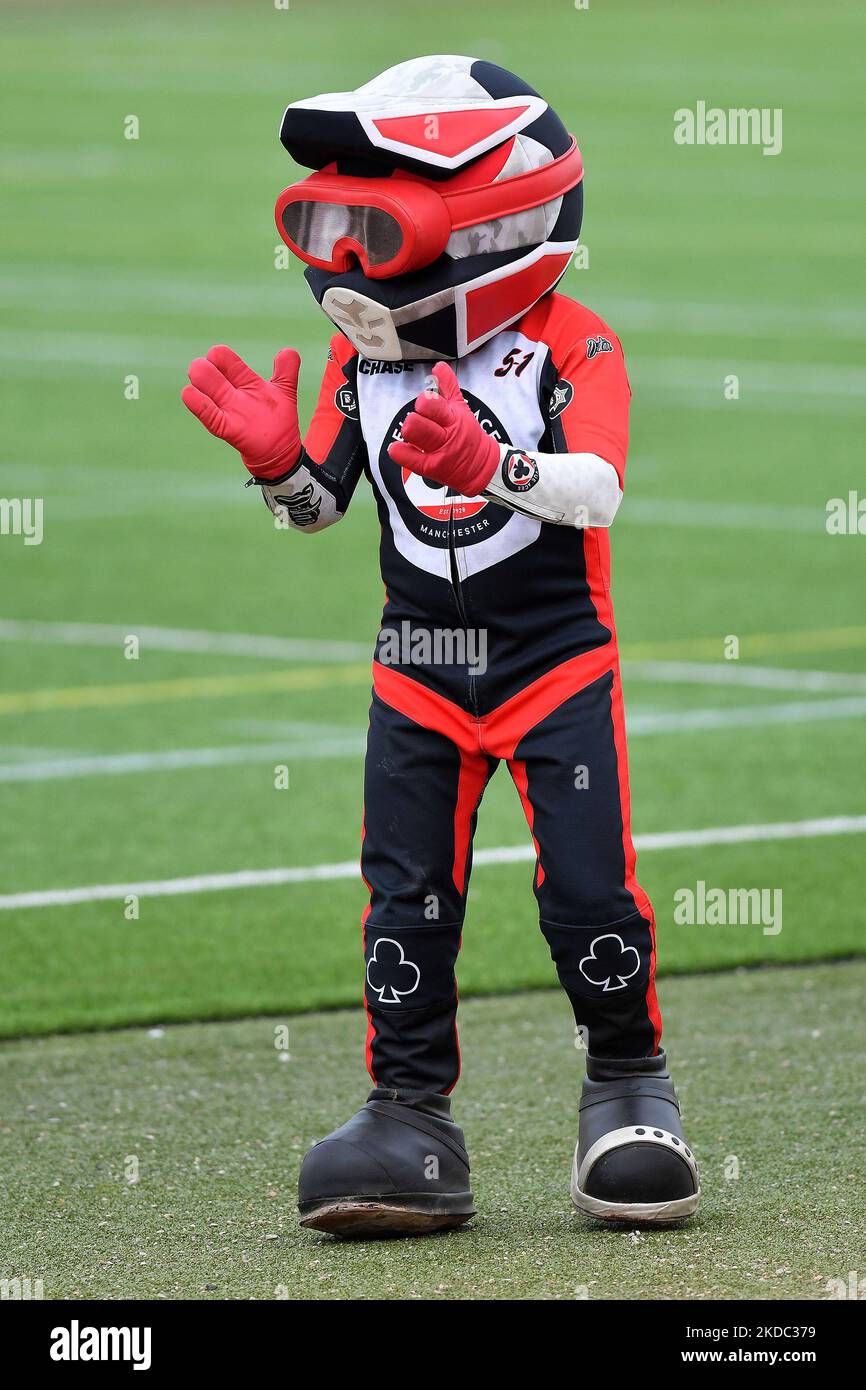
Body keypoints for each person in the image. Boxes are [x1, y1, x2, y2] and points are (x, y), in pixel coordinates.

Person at [182, 55, 699, 1236]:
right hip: (412, 670)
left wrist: (496, 464)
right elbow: (323, 507)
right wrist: (276, 465)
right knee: (402, 903)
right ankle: (406, 1119)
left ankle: (628, 1090)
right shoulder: (366, 361)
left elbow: (596, 491)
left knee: (587, 893)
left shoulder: (572, 341)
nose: (346, 255)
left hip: (553, 663)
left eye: (374, 213)